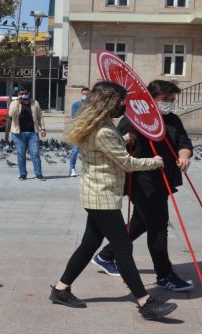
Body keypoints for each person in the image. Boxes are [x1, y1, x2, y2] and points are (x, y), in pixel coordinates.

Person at [49, 81, 177, 320]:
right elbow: (126, 163)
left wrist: (126, 138)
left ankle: (61, 289)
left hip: (94, 191)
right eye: (121, 101)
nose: (124, 105)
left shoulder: (98, 124)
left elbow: (106, 147)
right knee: (123, 247)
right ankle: (144, 301)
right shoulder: (104, 130)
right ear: (109, 103)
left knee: (89, 244)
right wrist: (155, 162)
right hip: (102, 195)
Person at [92, 80, 195, 292]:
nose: (169, 104)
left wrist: (184, 156)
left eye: (172, 100)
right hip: (141, 181)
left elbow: (184, 142)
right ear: (151, 99)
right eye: (165, 100)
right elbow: (115, 144)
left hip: (164, 179)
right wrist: (128, 140)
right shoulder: (132, 119)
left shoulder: (172, 119)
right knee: (158, 227)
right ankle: (164, 274)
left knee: (141, 223)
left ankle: (106, 255)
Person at [8, 87, 46, 181]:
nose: (23, 95)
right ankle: (23, 174)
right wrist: (17, 101)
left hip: (33, 133)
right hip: (18, 134)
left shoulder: (34, 103)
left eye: (25, 93)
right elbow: (11, 114)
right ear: (18, 94)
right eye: (21, 93)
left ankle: (38, 174)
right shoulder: (14, 103)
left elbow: (40, 116)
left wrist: (43, 128)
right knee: (21, 154)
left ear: (29, 93)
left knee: (35, 153)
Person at [68, 87, 91, 177]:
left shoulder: (93, 105)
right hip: (79, 130)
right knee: (75, 150)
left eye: (87, 94)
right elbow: (74, 117)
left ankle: (87, 169)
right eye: (84, 94)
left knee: (88, 151)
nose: (85, 96)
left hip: (89, 130)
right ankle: (72, 168)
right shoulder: (76, 104)